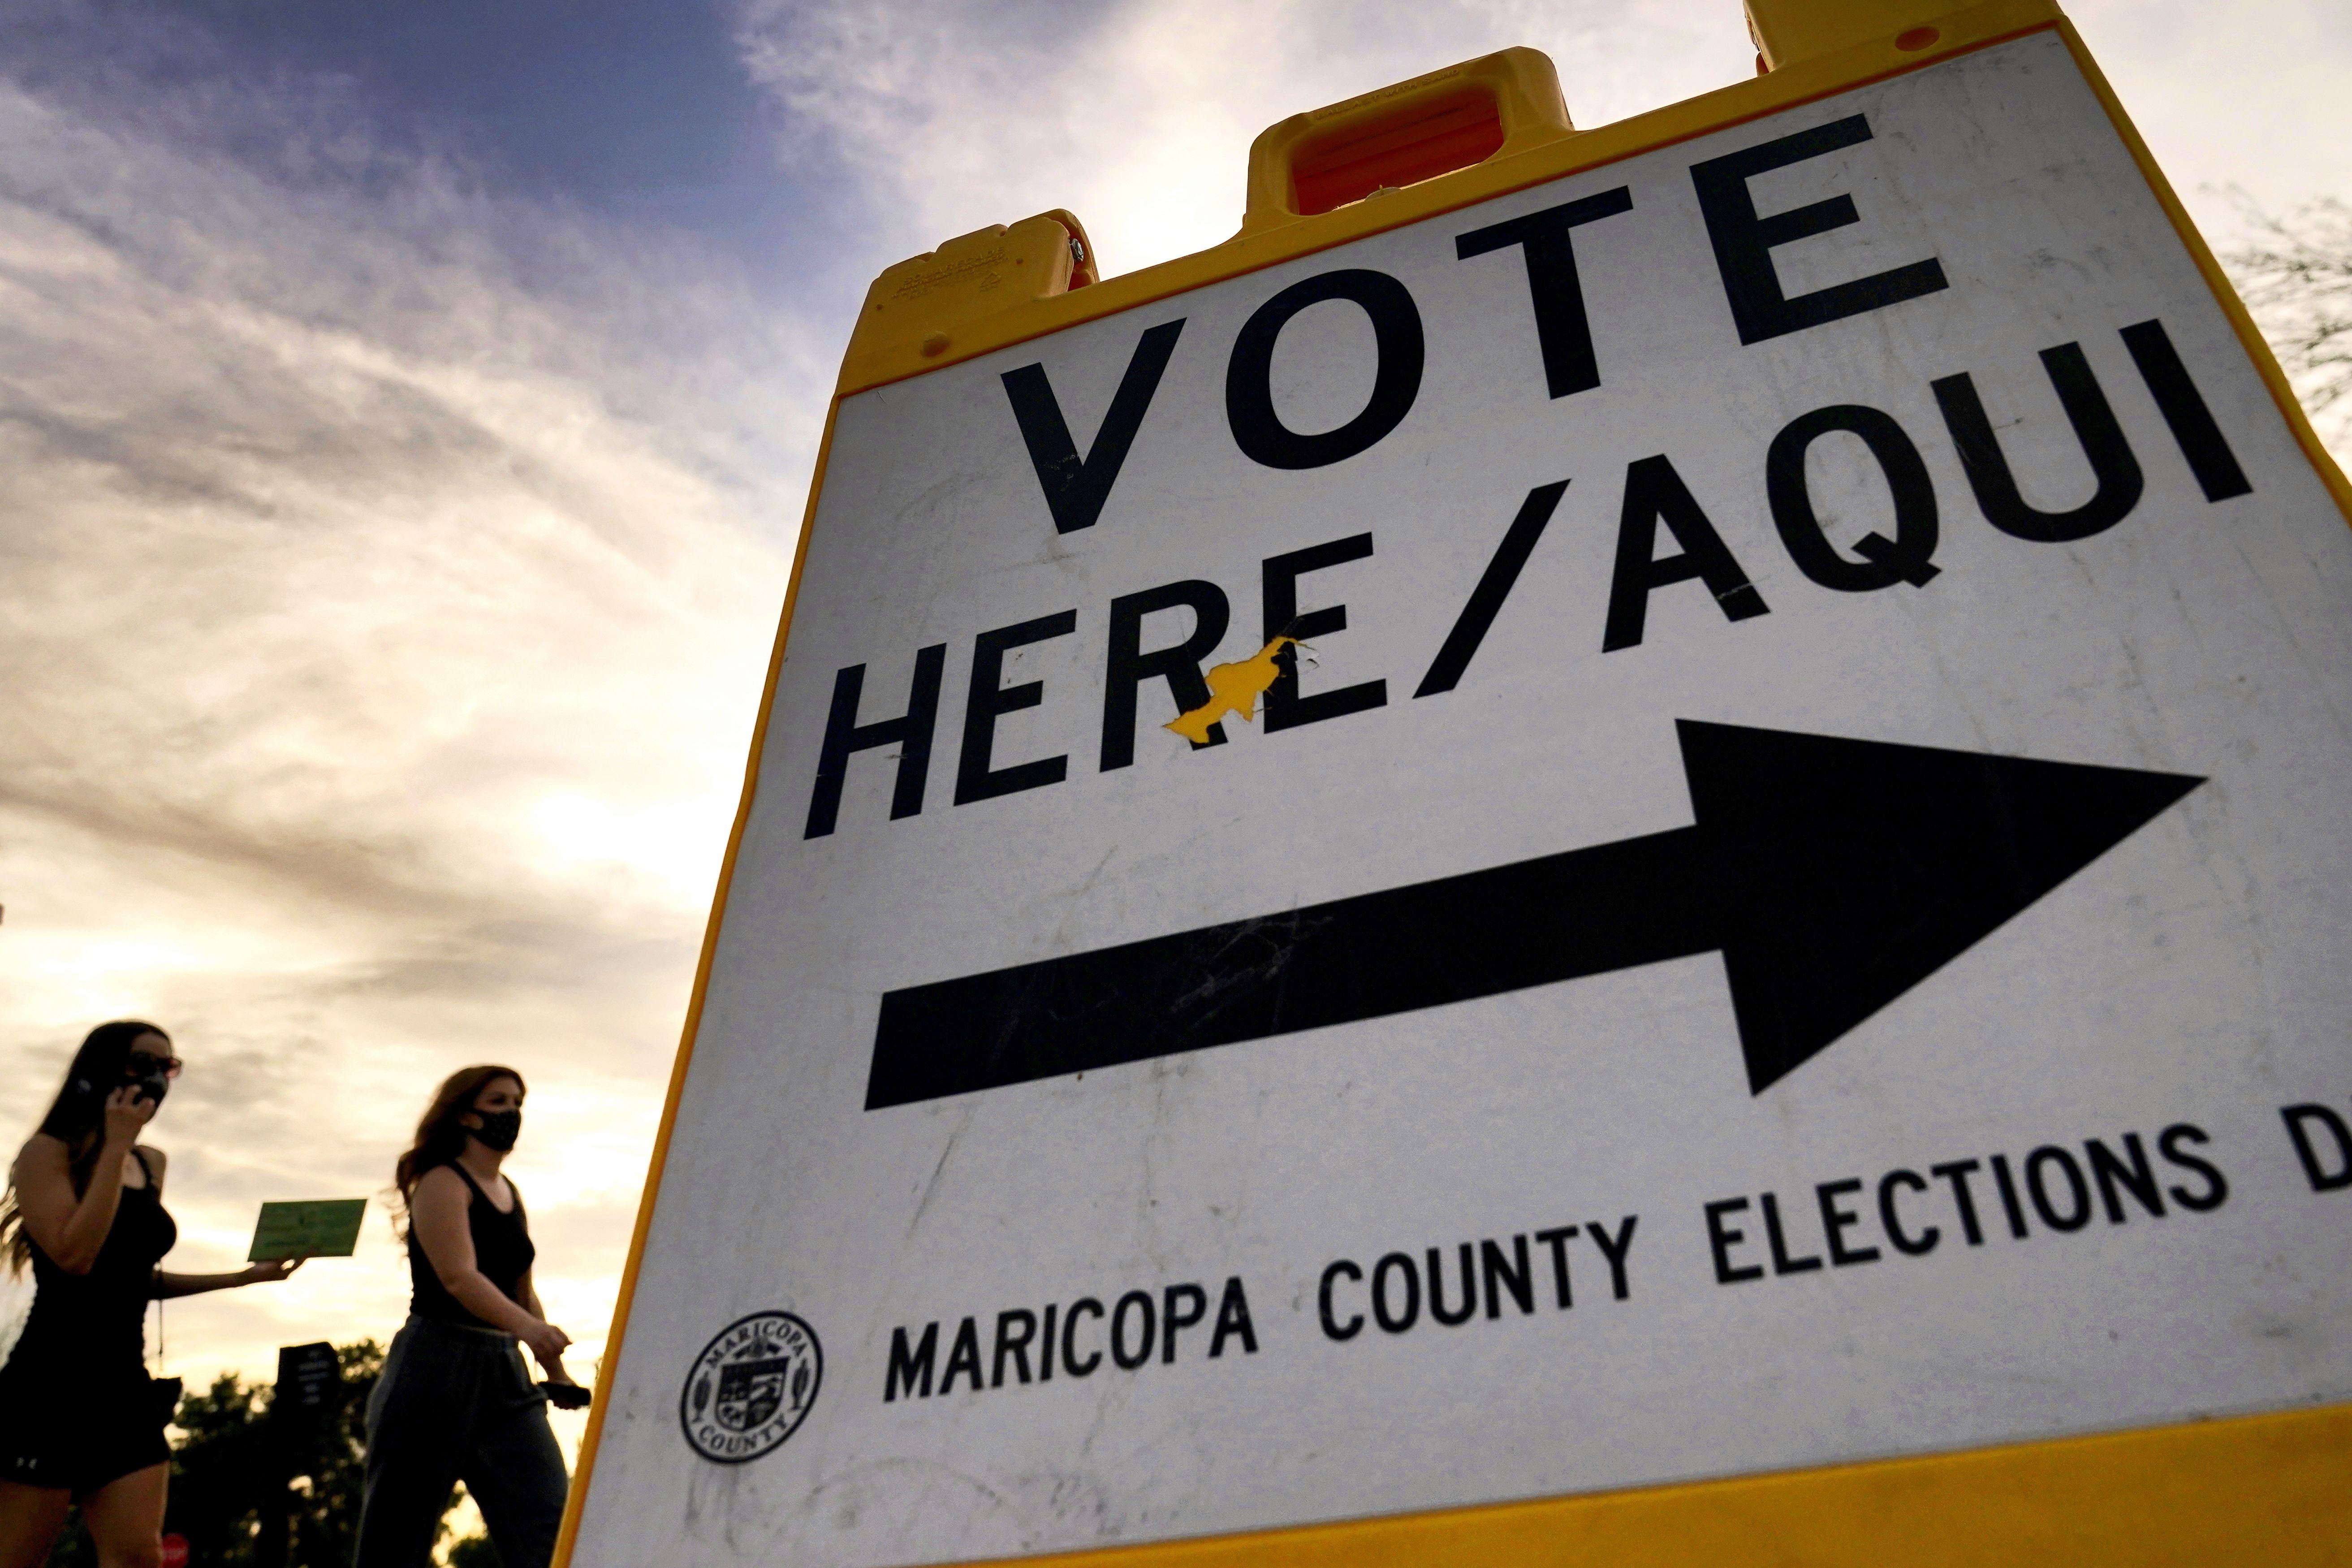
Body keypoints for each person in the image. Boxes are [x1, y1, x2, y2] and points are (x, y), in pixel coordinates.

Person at [0, 1021, 301, 1568]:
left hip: (125, 1386)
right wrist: (115, 1146)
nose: (159, 1078)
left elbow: (131, 1277)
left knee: (140, 1556)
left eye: (169, 1067)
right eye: (145, 1063)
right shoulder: (45, 1154)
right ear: (99, 1070)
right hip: (48, 1385)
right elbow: (75, 1256)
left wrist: (244, 1278)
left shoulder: (150, 1163)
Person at [354, 1065, 577, 1568]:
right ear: (463, 1113)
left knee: (550, 1527)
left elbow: (522, 1289)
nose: (512, 1114)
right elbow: (459, 1277)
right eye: (498, 1102)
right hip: (434, 1366)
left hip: (505, 1375)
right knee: (396, 1539)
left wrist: (554, 1371)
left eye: (517, 1102)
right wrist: (528, 1328)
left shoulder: (509, 1191)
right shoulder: (441, 1180)